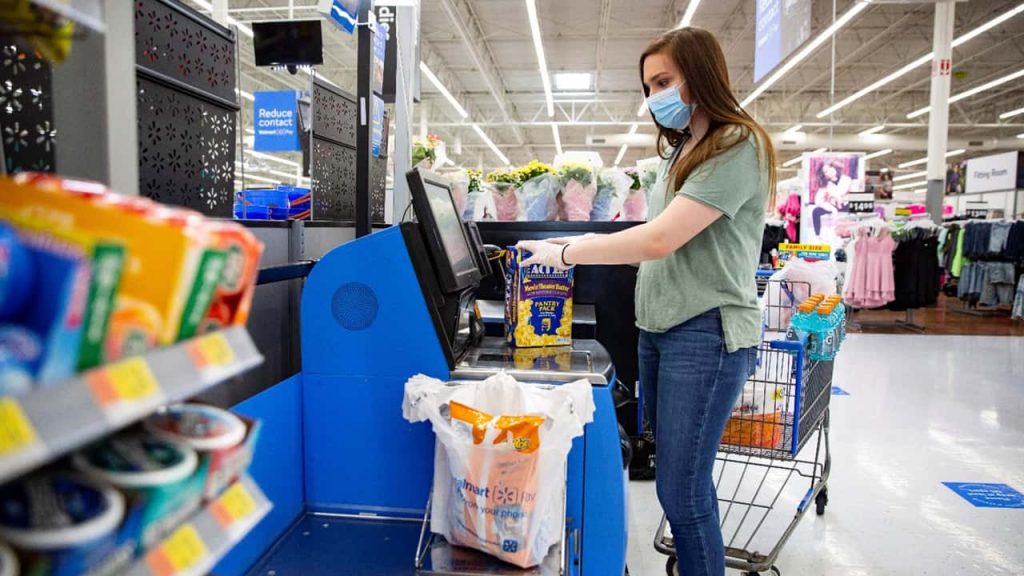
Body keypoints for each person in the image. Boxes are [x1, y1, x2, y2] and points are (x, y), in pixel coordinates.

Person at [517, 26, 775, 576]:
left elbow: (660, 239)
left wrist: (568, 252)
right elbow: (658, 244)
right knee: (679, 481)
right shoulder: (684, 151)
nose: (653, 96)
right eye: (647, 85)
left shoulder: (737, 145)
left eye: (663, 81)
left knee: (681, 492)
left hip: (705, 333)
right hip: (661, 330)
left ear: (700, 77)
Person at [810, 159, 852, 237]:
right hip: (832, 205)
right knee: (815, 211)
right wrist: (832, 208)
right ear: (824, 175)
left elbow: (853, 194)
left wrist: (842, 198)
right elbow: (817, 200)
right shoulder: (825, 185)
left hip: (845, 204)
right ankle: (817, 235)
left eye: (830, 167)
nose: (830, 171)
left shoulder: (847, 179)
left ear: (834, 167)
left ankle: (851, 233)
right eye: (826, 171)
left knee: (854, 207)